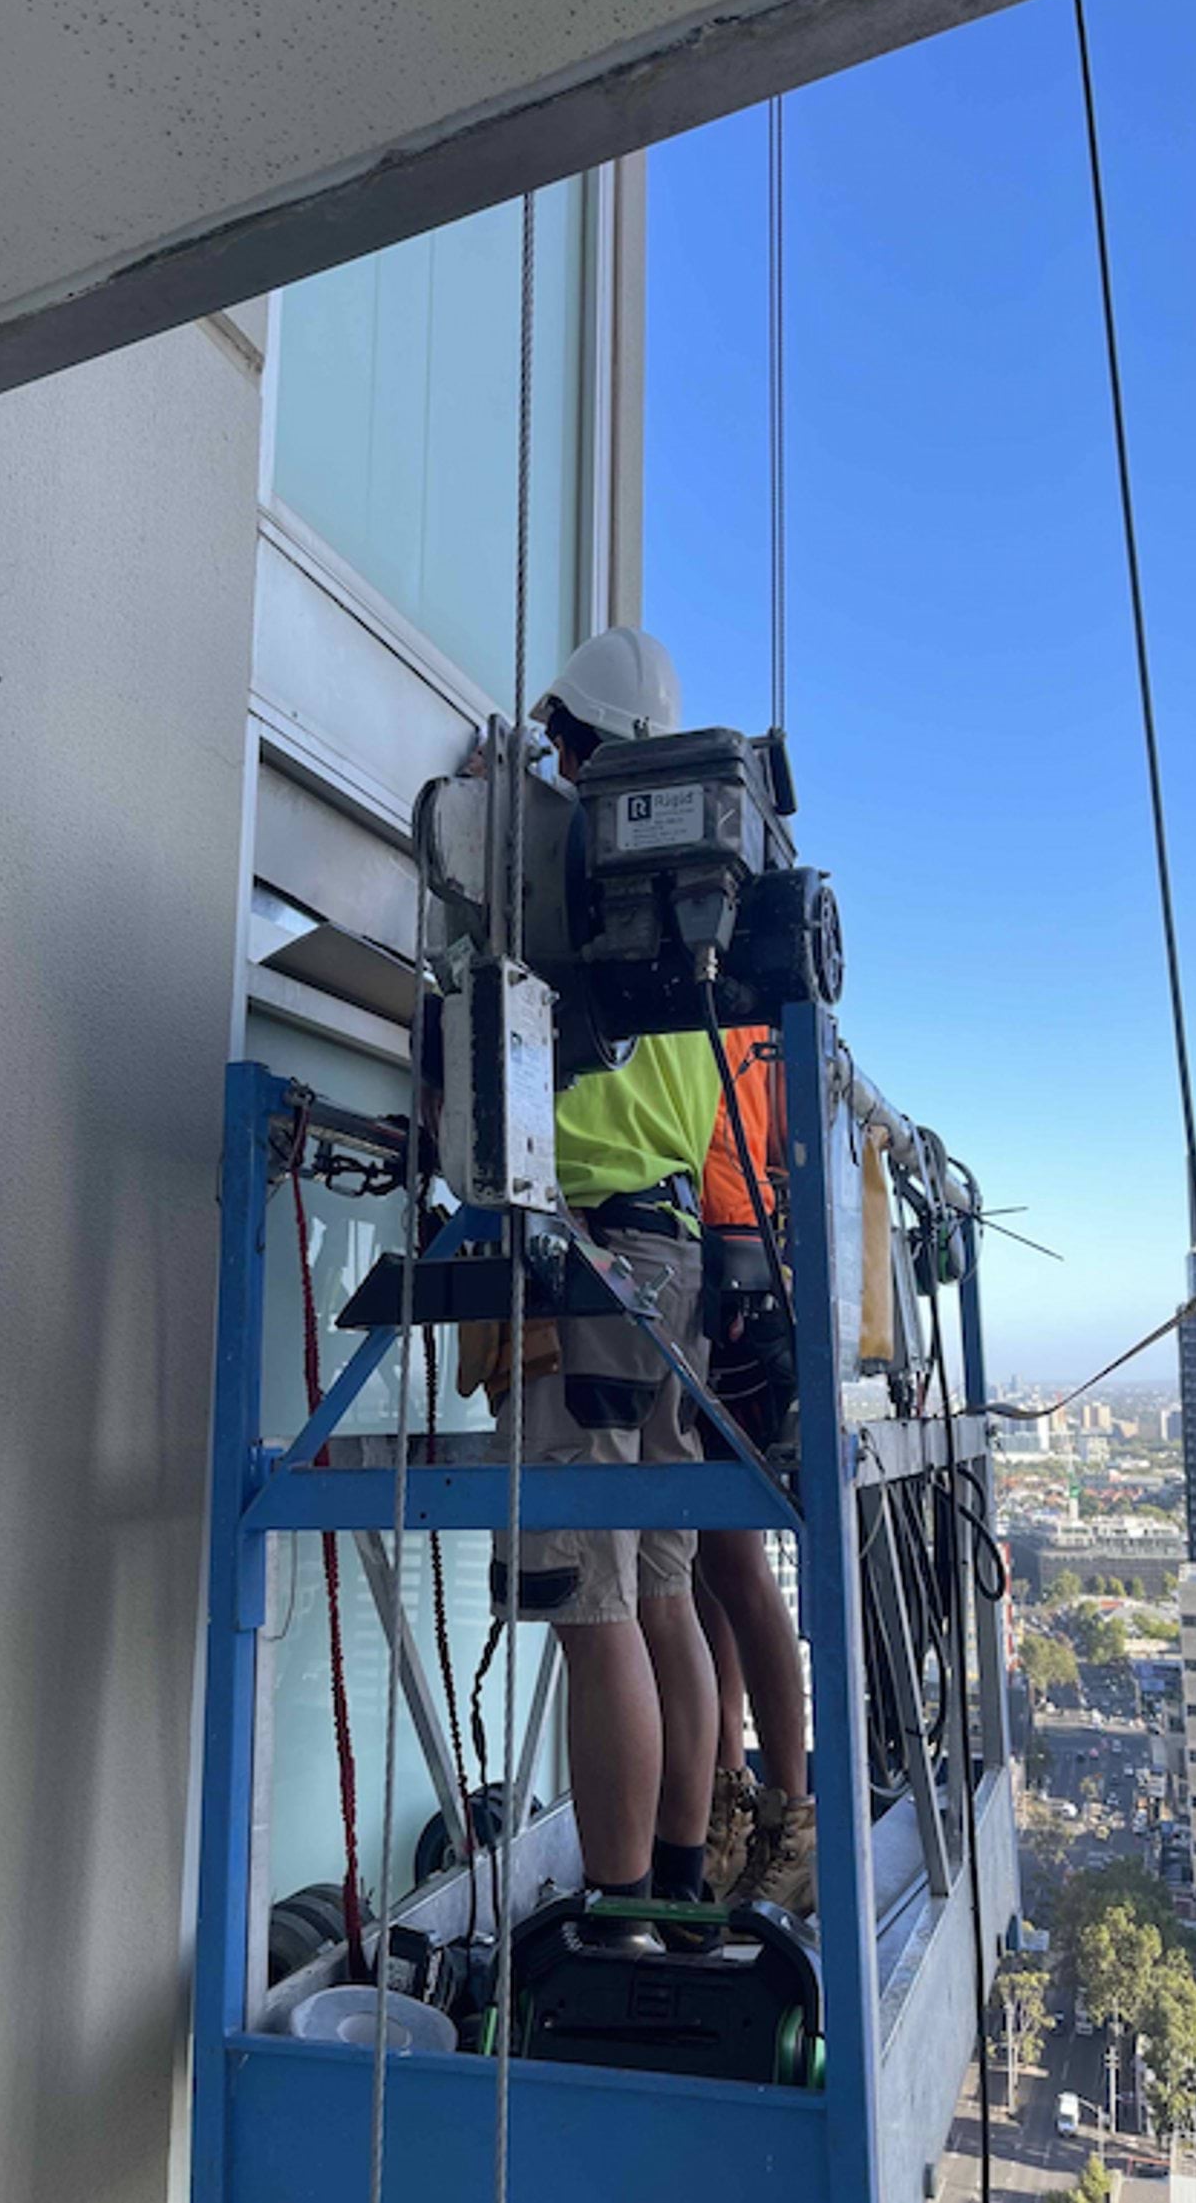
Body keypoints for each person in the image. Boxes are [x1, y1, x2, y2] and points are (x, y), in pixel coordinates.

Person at [487, 627, 722, 1916]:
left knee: (597, 1613)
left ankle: (618, 1924)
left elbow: (560, 1098)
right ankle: (678, 1893)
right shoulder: (691, 908)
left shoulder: (595, 884)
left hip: (597, 1263)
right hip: (672, 1262)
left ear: (593, 751)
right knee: (666, 1589)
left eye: (566, 746)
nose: (560, 770)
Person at [694, 1027, 817, 1916]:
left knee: (730, 1560)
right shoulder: (751, 1013)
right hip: (727, 1256)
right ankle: (733, 1794)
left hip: (729, 1265)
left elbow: (777, 1148)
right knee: (709, 1559)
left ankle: (788, 1815)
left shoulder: (740, 1014)